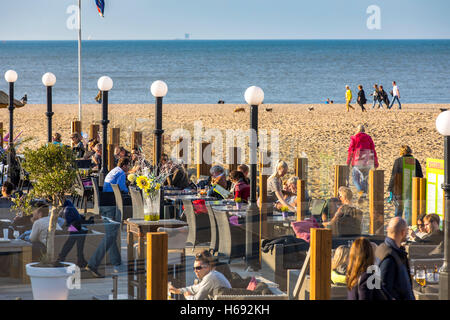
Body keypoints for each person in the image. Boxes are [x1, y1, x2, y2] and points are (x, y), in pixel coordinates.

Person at [375, 217, 415, 300]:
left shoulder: (382, 249)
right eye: (406, 231)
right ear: (403, 232)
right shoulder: (389, 257)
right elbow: (384, 290)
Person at [387, 145, 423, 223]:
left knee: (398, 212)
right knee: (408, 212)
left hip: (398, 190)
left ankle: (397, 227)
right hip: (411, 190)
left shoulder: (398, 161)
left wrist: (390, 190)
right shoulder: (415, 161)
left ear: (401, 152)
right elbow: (420, 176)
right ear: (410, 151)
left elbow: (394, 176)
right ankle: (407, 228)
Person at [347, 124, 379, 200]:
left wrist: (348, 162)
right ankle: (364, 194)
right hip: (368, 161)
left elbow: (350, 151)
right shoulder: (369, 138)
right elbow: (373, 150)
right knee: (364, 178)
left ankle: (361, 192)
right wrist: (375, 163)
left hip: (357, 161)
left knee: (355, 179)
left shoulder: (354, 138)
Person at [56, 200, 88, 268]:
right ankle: (80, 260)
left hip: (74, 225)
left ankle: (61, 259)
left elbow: (65, 222)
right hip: (77, 225)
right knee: (74, 242)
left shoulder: (67, 209)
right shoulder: (69, 207)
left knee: (70, 242)